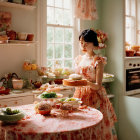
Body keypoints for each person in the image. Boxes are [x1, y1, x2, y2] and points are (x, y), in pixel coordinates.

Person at [73, 29, 117, 140]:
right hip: (79, 95)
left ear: (94, 43)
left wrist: (85, 82)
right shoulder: (79, 59)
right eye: (81, 42)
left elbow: (98, 85)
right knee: (80, 126)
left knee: (95, 128)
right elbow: (76, 78)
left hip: (95, 96)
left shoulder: (98, 60)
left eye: (86, 42)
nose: (83, 45)